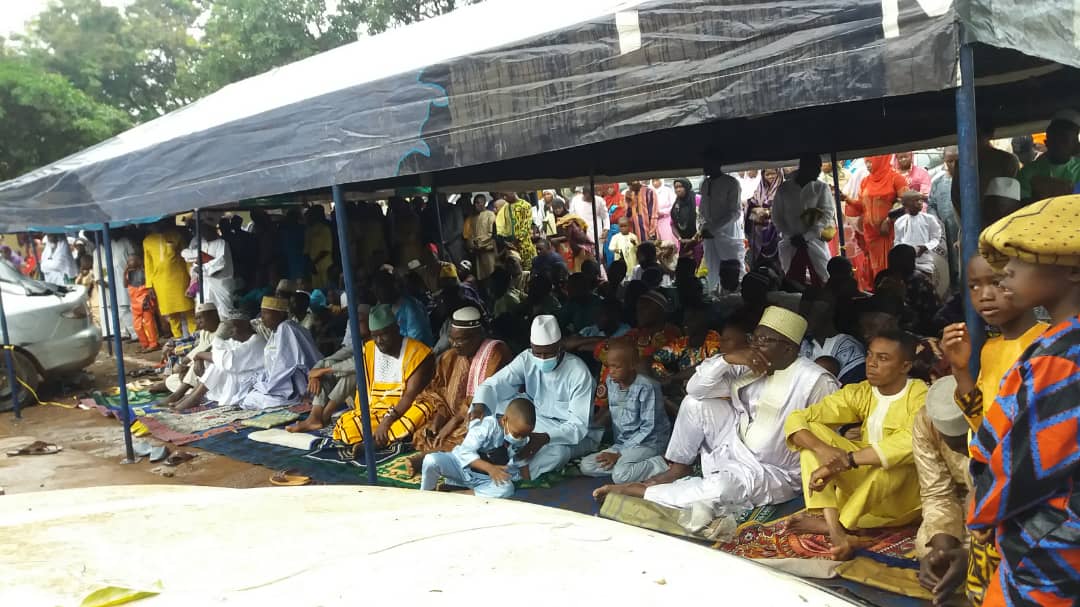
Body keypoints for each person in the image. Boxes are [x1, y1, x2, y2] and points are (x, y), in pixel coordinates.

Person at [593, 307, 839, 512]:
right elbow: (695, 388)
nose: (757, 346)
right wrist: (727, 359)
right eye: (756, 338)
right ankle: (679, 467)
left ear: (789, 349)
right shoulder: (748, 364)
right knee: (694, 403)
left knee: (722, 489)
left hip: (773, 470)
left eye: (766, 341)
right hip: (735, 444)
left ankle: (643, 491)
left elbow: (831, 434)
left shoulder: (815, 381)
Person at [964, 198, 1080, 606]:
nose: (1006, 270)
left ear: (1072, 269)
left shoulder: (1060, 359)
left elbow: (1027, 461)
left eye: (1021, 258)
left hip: (1049, 542)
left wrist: (982, 508)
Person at [784, 329, 927, 560]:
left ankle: (844, 525)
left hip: (902, 498)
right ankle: (835, 529)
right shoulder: (861, 392)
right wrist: (825, 451)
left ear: (905, 366)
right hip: (862, 493)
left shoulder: (919, 394)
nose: (871, 364)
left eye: (883, 358)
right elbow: (798, 418)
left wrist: (847, 461)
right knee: (811, 437)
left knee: (894, 463)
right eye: (870, 355)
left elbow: (910, 442)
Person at [472, 315, 597, 480]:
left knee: (557, 454)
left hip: (570, 433)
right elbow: (493, 385)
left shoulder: (578, 373)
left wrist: (544, 438)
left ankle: (507, 475)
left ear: (560, 346)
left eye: (549, 353)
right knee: (492, 404)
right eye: (538, 353)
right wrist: (480, 406)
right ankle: (484, 455)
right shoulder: (527, 358)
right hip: (535, 420)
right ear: (531, 347)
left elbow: (578, 426)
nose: (543, 359)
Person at [403, 308, 512, 472]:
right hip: (453, 418)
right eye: (452, 339)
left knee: (475, 438)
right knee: (425, 432)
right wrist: (439, 422)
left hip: (485, 415)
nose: (454, 344)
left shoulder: (495, 352)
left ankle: (429, 457)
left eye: (460, 340)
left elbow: (485, 396)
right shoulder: (450, 356)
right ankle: (436, 454)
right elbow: (439, 393)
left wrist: (453, 424)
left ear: (477, 336)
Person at [332, 305, 436, 448]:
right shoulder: (369, 349)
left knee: (424, 409)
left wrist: (387, 421)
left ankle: (378, 441)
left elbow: (410, 395)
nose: (379, 340)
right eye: (375, 335)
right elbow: (365, 394)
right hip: (377, 410)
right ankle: (387, 437)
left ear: (396, 329)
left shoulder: (417, 353)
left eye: (384, 334)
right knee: (346, 427)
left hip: (405, 408)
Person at [913, 376, 972, 607]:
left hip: (1017, 511)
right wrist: (943, 548)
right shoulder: (926, 420)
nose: (964, 452)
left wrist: (970, 557)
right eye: (956, 446)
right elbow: (936, 491)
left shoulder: (1007, 420)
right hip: (966, 502)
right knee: (925, 544)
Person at [580, 340, 671, 483]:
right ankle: (630, 468)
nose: (611, 372)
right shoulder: (611, 382)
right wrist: (618, 451)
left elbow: (648, 428)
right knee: (586, 465)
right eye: (609, 366)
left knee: (620, 476)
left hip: (650, 443)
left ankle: (661, 463)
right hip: (623, 443)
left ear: (632, 365)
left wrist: (619, 454)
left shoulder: (647, 387)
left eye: (617, 367)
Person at [419, 397, 536, 498]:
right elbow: (465, 452)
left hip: (485, 479)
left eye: (524, 435)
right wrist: (491, 469)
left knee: (507, 488)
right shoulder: (488, 426)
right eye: (517, 434)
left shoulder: (520, 437)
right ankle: (427, 494)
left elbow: (520, 459)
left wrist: (527, 481)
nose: (520, 438)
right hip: (461, 468)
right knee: (431, 460)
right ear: (505, 420)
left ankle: (460, 493)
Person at [286, 306, 368, 433]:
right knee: (326, 366)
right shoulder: (358, 344)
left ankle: (324, 416)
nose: (356, 326)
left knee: (353, 374)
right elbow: (329, 360)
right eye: (355, 322)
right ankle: (315, 416)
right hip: (354, 397)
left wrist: (324, 371)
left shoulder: (377, 345)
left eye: (361, 322)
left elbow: (358, 364)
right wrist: (315, 374)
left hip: (371, 397)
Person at [593, 290, 680, 408]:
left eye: (645, 308)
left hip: (657, 380)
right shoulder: (637, 333)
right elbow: (604, 348)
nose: (639, 313)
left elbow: (649, 357)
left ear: (660, 311)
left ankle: (610, 413)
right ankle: (606, 410)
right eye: (638, 309)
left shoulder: (670, 333)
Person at [236, 296, 321, 411]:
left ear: (280, 314)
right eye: (261, 313)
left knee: (251, 398)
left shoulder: (286, 328)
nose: (262, 317)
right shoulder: (277, 331)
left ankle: (297, 400)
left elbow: (286, 365)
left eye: (266, 313)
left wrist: (267, 385)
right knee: (249, 393)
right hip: (284, 383)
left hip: (298, 387)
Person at [773, 155, 835, 286]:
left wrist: (806, 236)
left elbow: (827, 214)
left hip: (814, 241)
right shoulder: (784, 188)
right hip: (791, 243)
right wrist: (792, 236)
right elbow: (777, 217)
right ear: (804, 168)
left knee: (821, 279)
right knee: (793, 282)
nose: (819, 171)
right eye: (816, 168)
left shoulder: (821, 187)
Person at [846, 155, 909, 284]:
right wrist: (846, 199)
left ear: (880, 161)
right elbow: (862, 206)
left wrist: (889, 219)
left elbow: (905, 202)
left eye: (870, 162)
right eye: (866, 162)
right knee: (876, 270)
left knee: (891, 267)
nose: (868, 165)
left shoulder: (896, 178)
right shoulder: (865, 181)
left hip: (889, 233)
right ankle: (879, 295)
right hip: (871, 235)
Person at [191, 312, 268, 409]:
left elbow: (229, 360)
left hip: (254, 381)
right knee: (217, 363)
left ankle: (194, 397)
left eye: (233, 327)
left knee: (219, 364)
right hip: (240, 379)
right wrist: (200, 357)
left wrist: (199, 354)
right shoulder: (238, 340)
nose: (231, 333)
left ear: (244, 326)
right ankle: (194, 396)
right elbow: (217, 351)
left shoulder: (256, 340)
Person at [799, 287, 866, 385]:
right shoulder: (801, 343)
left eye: (810, 312)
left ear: (830, 312)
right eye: (802, 312)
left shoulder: (851, 349)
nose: (803, 318)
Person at [699, 157, 745, 296]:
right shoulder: (705, 183)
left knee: (732, 268)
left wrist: (714, 228)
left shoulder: (731, 183)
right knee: (712, 267)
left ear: (717, 163)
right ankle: (716, 298)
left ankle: (736, 299)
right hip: (709, 233)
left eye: (707, 163)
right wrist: (703, 228)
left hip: (727, 232)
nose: (704, 167)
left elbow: (735, 212)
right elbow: (702, 210)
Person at [144, 219, 196, 338]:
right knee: (171, 314)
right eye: (154, 224)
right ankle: (178, 339)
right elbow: (148, 264)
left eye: (159, 222)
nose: (157, 225)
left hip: (180, 279)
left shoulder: (176, 236)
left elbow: (186, 258)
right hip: (160, 282)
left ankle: (195, 338)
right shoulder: (147, 241)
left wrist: (192, 276)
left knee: (189, 310)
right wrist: (149, 285)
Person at [1017, 110, 1080, 202]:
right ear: (1046, 143)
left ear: (1076, 145)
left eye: (1064, 141)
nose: (1059, 145)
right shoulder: (1028, 172)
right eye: (1055, 140)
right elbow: (1022, 206)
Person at [183, 212, 236, 317]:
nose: (203, 233)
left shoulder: (221, 243)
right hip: (204, 284)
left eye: (205, 229)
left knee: (223, 313)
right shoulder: (199, 243)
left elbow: (220, 263)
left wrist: (203, 267)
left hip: (220, 284)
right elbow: (186, 255)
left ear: (212, 229)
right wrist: (196, 269)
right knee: (204, 312)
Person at [373, 269, 435, 347]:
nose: (380, 295)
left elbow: (416, 340)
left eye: (382, 290)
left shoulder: (411, 309)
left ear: (394, 286)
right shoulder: (388, 307)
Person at [927, 146, 960, 287]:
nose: (954, 165)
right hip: (946, 233)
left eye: (957, 161)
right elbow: (931, 205)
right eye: (950, 161)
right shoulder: (938, 182)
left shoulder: (971, 180)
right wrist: (937, 224)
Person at [893, 191, 942, 277]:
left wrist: (926, 247)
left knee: (925, 284)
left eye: (921, 200)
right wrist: (904, 251)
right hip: (906, 263)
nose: (920, 202)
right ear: (906, 205)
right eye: (916, 200)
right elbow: (897, 241)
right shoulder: (899, 222)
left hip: (925, 262)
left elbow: (936, 238)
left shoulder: (929, 219)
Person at [125, 253, 159, 352]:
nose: (129, 263)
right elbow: (125, 284)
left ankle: (153, 343)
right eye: (128, 261)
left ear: (138, 261)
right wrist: (125, 272)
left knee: (148, 323)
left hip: (144, 300)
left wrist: (149, 298)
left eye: (132, 260)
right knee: (137, 326)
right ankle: (145, 344)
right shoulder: (129, 273)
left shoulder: (144, 271)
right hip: (135, 302)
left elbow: (148, 286)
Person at [464, 194, 497, 282]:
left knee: (492, 275)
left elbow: (492, 234)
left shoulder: (490, 215)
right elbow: (469, 235)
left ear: (484, 203)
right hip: (477, 253)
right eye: (475, 203)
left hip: (488, 252)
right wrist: (471, 243)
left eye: (478, 203)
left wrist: (480, 243)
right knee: (481, 278)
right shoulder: (472, 218)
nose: (476, 205)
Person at [570, 187, 609, 256]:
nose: (591, 199)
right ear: (583, 194)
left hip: (596, 234)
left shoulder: (599, 200)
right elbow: (572, 217)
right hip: (581, 234)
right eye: (589, 196)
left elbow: (605, 216)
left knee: (598, 256)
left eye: (592, 196)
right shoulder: (576, 200)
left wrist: (606, 229)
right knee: (584, 257)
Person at [502, 193, 537, 269]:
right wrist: (506, 241)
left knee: (528, 270)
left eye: (506, 195)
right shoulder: (506, 207)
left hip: (524, 245)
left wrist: (516, 241)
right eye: (503, 196)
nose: (504, 198)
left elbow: (526, 226)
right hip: (511, 247)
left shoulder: (525, 205)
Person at [304, 205, 334, 289]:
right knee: (316, 289)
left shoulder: (325, 229)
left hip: (325, 266)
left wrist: (313, 262)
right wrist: (310, 264)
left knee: (327, 288)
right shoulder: (308, 230)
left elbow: (326, 249)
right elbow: (306, 250)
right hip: (314, 267)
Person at [651, 179, 678, 245]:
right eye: (653, 181)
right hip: (654, 221)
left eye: (657, 180)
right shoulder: (650, 192)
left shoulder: (667, 190)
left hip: (666, 219)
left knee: (669, 241)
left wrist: (662, 212)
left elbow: (674, 205)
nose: (655, 182)